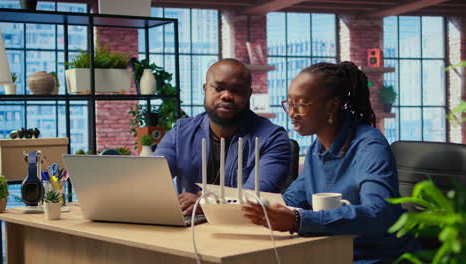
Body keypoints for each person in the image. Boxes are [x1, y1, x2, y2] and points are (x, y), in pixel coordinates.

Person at [242, 61, 418, 263]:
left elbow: (377, 212)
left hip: (377, 257)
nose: (292, 113)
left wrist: (299, 221)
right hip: (331, 251)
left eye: (301, 103)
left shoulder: (369, 146)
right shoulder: (317, 149)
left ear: (331, 106)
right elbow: (292, 199)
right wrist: (248, 207)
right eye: (289, 103)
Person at [154, 58, 291, 216]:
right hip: (189, 227)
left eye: (237, 90)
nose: (226, 95)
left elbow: (256, 198)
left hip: (245, 231)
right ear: (205, 89)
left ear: (249, 94)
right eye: (218, 88)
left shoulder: (272, 138)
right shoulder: (181, 133)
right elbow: (153, 179)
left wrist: (206, 204)